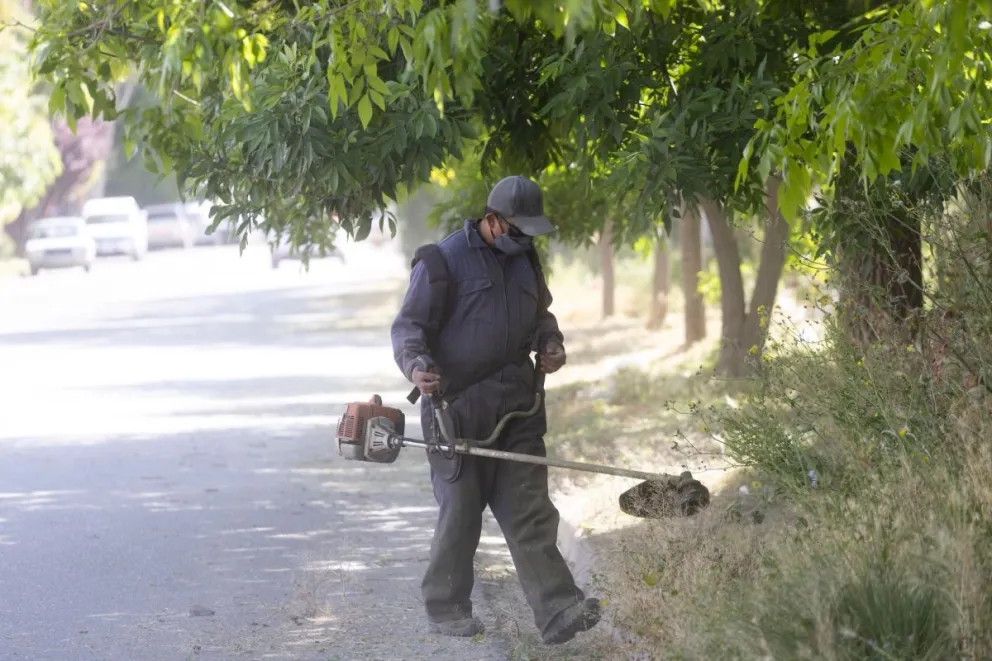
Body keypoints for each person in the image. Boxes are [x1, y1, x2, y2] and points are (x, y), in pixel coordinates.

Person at [390, 175, 602, 645]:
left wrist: (551, 343)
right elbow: (409, 327)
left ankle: (559, 609)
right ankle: (446, 609)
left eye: (530, 233)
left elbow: (542, 317)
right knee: (461, 514)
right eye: (519, 230)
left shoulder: (527, 260)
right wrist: (416, 367)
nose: (526, 240)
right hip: (457, 410)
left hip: (519, 409)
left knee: (530, 512)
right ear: (492, 221)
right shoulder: (441, 262)